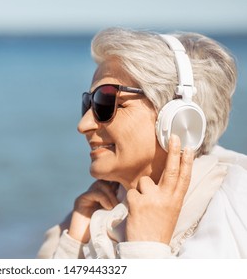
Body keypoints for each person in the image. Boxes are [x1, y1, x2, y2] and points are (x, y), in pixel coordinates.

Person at [37, 27, 247, 259]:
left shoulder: (235, 205)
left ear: (177, 117)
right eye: (88, 104)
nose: (83, 125)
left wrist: (147, 249)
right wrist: (72, 245)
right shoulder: (88, 217)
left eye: (105, 103)